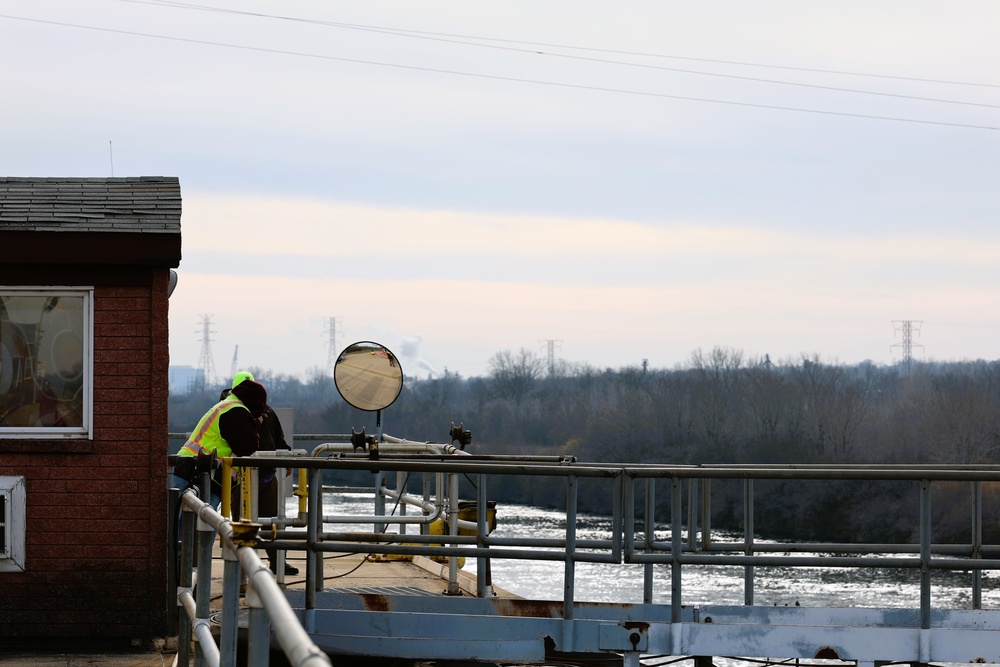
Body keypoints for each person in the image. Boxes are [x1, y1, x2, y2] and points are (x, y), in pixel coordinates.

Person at [220, 371, 298, 575]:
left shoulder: (268, 412)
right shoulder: (232, 412)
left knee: (273, 523)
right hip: (241, 478)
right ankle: (240, 568)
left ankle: (278, 561)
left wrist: (287, 457)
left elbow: (278, 439)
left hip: (267, 476)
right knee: (242, 525)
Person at [172, 374, 267, 515]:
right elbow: (248, 446)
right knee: (204, 526)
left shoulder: (226, 405)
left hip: (189, 468)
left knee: (179, 527)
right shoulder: (237, 412)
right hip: (204, 475)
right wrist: (255, 424)